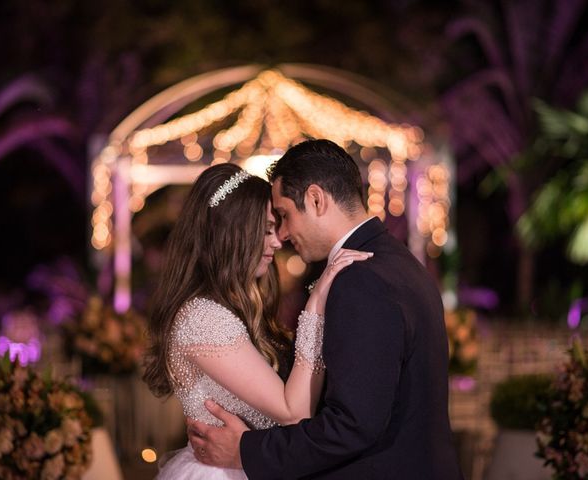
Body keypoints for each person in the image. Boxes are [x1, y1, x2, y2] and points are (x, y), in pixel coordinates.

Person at [187, 139, 464, 479]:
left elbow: (351, 425)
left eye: (285, 216)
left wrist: (245, 451)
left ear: (316, 199)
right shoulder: (398, 262)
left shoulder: (361, 280)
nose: (283, 235)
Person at [142, 162, 371, 479]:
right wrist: (316, 304)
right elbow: (294, 412)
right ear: (231, 235)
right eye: (265, 230)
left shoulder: (231, 309)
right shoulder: (203, 318)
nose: (278, 242)